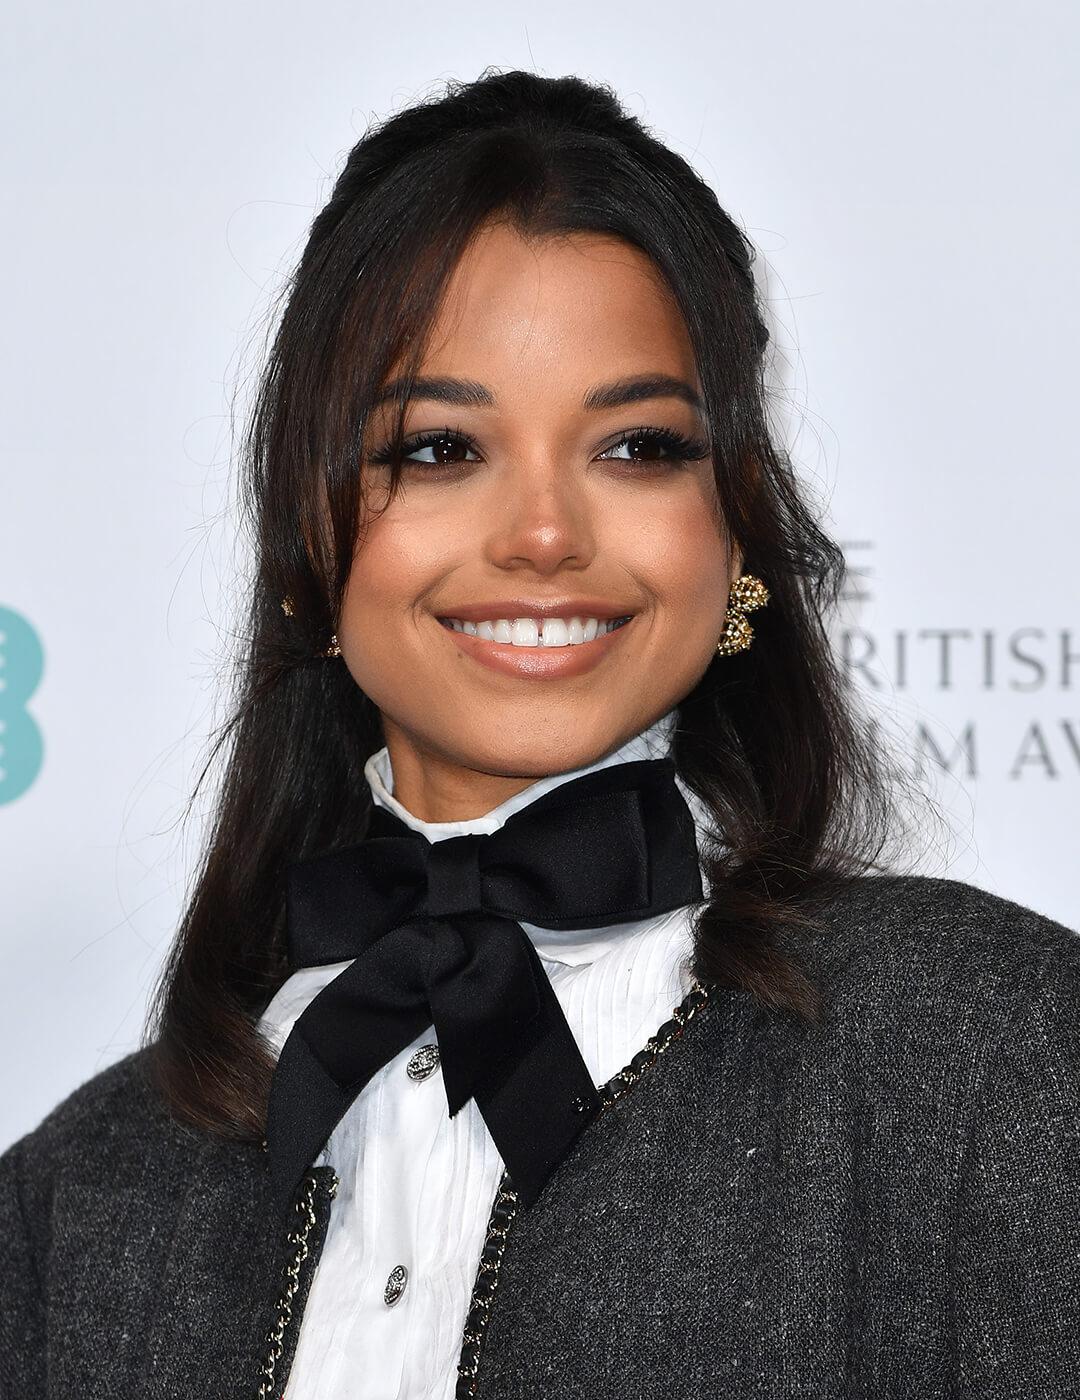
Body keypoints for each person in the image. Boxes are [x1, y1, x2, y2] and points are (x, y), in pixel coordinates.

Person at [1, 68, 1077, 1400]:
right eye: (440, 449)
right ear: (309, 541)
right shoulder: (79, 1201)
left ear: (737, 527)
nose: (546, 534)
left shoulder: (984, 1055)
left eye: (636, 446)